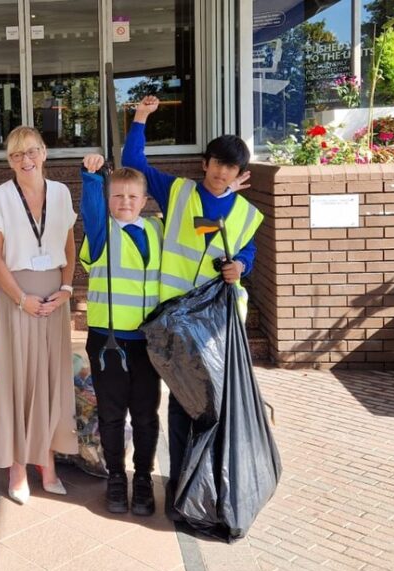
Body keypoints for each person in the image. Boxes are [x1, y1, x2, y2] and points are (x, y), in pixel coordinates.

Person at [122, 95, 262, 518]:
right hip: (177, 322)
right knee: (183, 404)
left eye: (230, 168)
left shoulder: (246, 212)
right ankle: (183, 488)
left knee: (214, 406)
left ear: (240, 173)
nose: (221, 172)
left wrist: (240, 265)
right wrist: (140, 118)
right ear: (205, 163)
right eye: (216, 163)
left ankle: (211, 487)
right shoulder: (178, 192)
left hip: (219, 325)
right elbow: (135, 165)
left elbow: (249, 251)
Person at [0, 125, 79, 504]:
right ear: (10, 161)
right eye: (17, 154)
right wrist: (21, 299)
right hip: (12, 293)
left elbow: (69, 244)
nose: (26, 159)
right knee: (15, 378)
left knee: (50, 378)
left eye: (32, 151)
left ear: (45, 153)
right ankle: (17, 465)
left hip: (53, 294)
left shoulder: (62, 193)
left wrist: (67, 288)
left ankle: (46, 461)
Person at [78, 158, 163, 516]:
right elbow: (92, 209)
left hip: (148, 342)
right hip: (109, 341)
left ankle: (142, 478)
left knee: (146, 414)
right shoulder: (101, 232)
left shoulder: (158, 231)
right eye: (117, 196)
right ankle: (116, 477)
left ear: (144, 200)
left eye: (132, 196)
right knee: (112, 414)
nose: (124, 202)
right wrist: (92, 177)